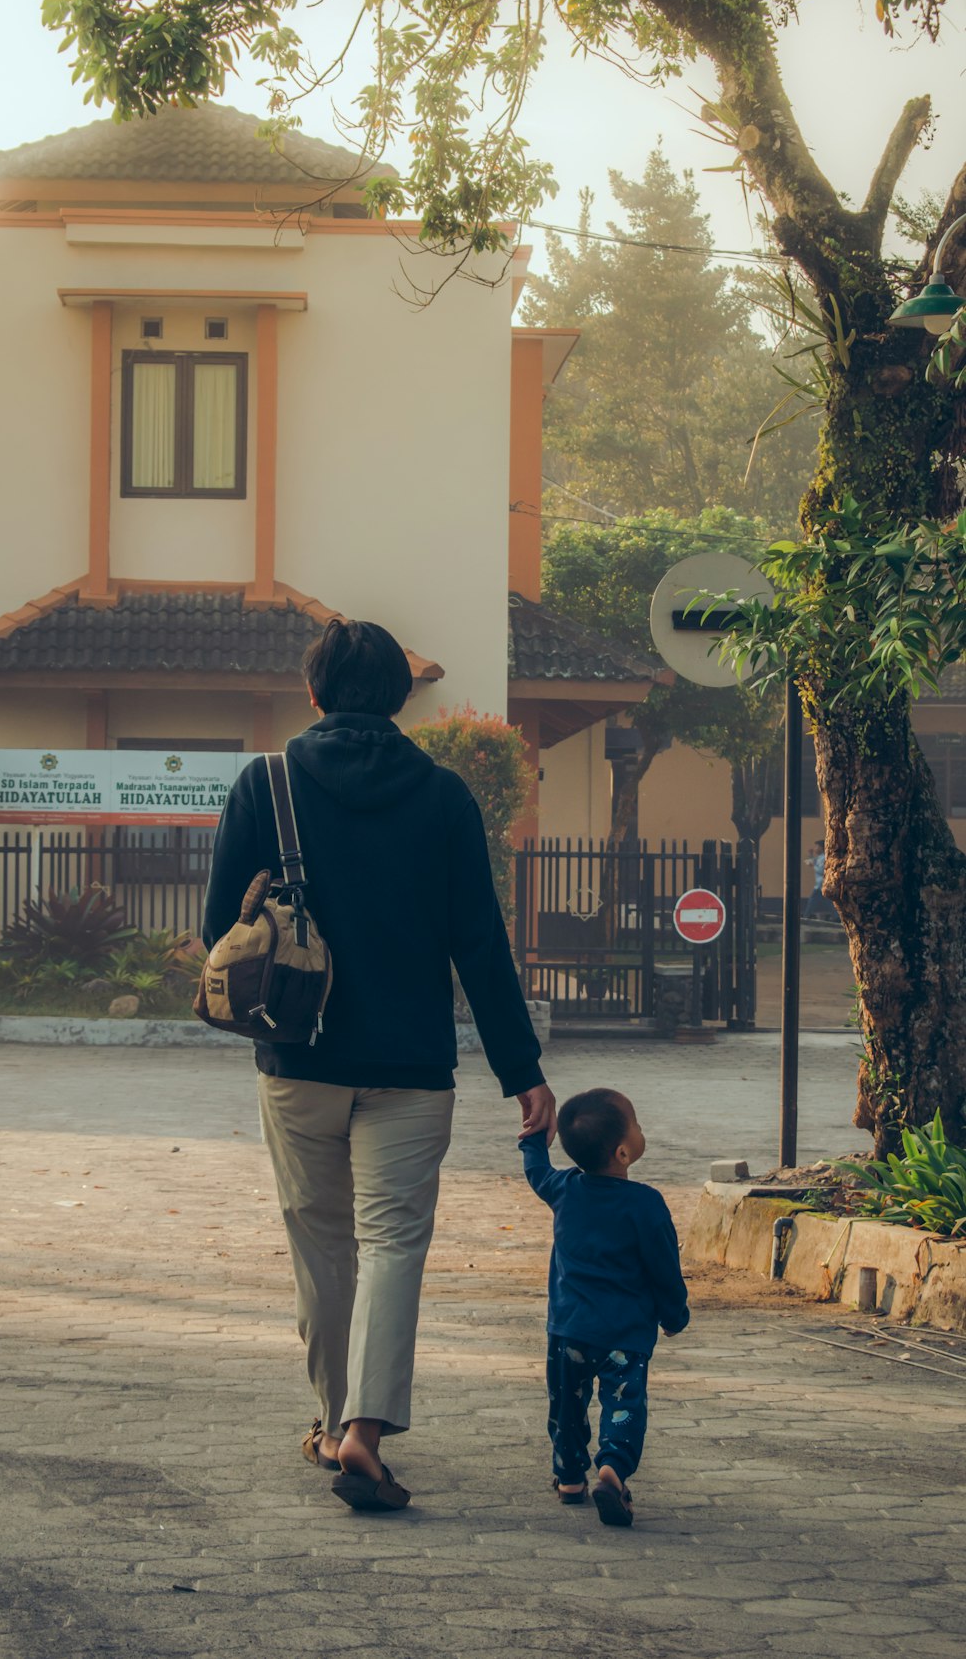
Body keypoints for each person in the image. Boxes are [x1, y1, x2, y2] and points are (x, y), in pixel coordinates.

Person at [202, 617, 555, 1513]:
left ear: (314, 693)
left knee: (322, 1244)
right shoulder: (443, 799)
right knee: (394, 1243)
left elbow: (219, 932)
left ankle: (330, 1426)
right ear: (400, 698)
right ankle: (366, 1430)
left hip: (298, 1055)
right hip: (411, 1065)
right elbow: (480, 946)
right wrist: (524, 1073)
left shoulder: (265, 784)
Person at [519, 1087, 689, 1528]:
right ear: (623, 1152)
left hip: (568, 1332)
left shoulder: (563, 1188)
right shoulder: (646, 1205)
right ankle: (612, 1471)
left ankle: (569, 1478)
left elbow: (536, 1169)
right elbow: (664, 1269)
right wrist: (674, 1315)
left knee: (567, 1407)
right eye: (636, 1124)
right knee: (624, 1405)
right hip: (625, 1336)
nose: (640, 1128)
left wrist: (534, 1135)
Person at [804, 838, 835, 921]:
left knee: (813, 900)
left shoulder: (824, 858)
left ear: (821, 848)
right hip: (820, 884)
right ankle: (836, 917)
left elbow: (822, 870)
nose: (815, 849)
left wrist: (813, 866)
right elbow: (813, 861)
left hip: (821, 884)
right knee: (828, 901)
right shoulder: (820, 858)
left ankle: (806, 916)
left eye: (817, 847)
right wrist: (810, 855)